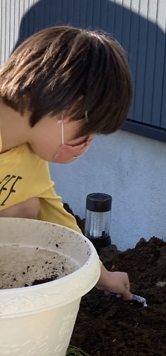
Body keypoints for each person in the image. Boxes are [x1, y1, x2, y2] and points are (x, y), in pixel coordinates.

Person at [0, 25, 133, 300]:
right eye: (90, 131)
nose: (87, 143)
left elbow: (58, 221)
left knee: (27, 206)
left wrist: (101, 276)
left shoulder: (28, 155)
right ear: (72, 110)